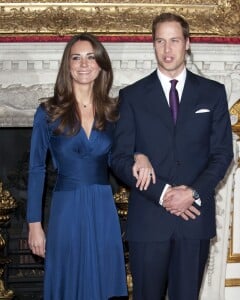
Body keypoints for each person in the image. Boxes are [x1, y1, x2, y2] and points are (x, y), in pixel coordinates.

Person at [111, 13, 234, 300]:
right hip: (149, 222)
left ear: (187, 44)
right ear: (153, 45)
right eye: (160, 41)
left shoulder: (213, 93)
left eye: (174, 41)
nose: (167, 50)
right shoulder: (131, 96)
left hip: (194, 219)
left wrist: (192, 192)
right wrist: (165, 192)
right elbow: (118, 157)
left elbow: (222, 154)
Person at [26, 33, 155, 300]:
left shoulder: (113, 112)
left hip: (102, 206)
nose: (84, 64)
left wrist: (141, 155)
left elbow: (123, 154)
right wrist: (34, 225)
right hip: (66, 208)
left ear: (101, 65)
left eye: (91, 57)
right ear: (68, 65)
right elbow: (36, 168)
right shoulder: (48, 112)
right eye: (76, 58)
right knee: (68, 282)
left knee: (102, 284)